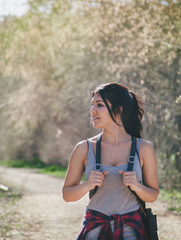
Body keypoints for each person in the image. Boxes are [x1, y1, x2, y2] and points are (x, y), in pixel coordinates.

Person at [62, 83, 159, 240]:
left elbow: (153, 195)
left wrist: (137, 186)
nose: (92, 110)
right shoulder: (84, 148)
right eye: (92, 105)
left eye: (99, 105)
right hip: (94, 232)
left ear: (119, 110)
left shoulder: (144, 148)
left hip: (132, 234)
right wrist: (87, 185)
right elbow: (67, 195)